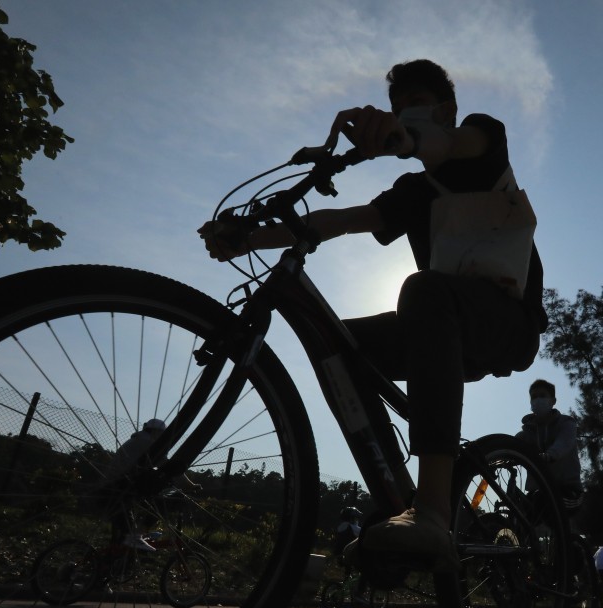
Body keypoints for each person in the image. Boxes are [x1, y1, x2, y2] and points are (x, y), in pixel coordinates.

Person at [198, 59, 546, 571]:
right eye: (396, 109)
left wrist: (404, 137)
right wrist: (245, 238)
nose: (403, 115)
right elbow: (337, 221)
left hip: (507, 323)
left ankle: (431, 509)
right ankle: (395, 495)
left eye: (414, 107)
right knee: (336, 344)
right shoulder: (415, 192)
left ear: (446, 110)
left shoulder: (482, 141)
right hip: (442, 331)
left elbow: (447, 146)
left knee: (423, 291)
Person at [516, 379, 583, 507]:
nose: (538, 400)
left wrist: (550, 455)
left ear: (553, 401)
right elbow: (513, 443)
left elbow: (564, 442)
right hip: (538, 490)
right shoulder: (528, 431)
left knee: (551, 507)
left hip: (567, 489)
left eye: (542, 396)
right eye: (534, 397)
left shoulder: (566, 423)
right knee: (520, 513)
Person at [105, 418, 167, 551]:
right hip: (123, 486)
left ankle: (113, 561)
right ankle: (138, 535)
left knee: (121, 536)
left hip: (112, 485)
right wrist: (189, 485)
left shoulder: (136, 440)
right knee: (160, 503)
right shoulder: (149, 443)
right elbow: (167, 466)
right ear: (158, 432)